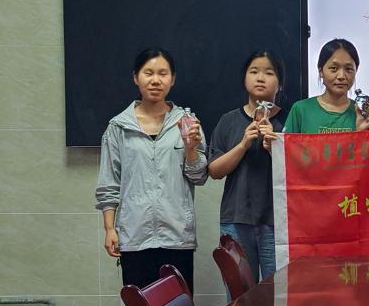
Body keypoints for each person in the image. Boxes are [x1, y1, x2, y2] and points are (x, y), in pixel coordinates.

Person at [95, 47, 207, 293]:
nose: (156, 80)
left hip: (177, 237)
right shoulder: (118, 127)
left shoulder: (187, 123)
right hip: (134, 237)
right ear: (136, 77)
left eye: (163, 74)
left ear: (172, 79)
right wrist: (110, 229)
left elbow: (199, 176)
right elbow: (108, 183)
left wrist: (191, 149)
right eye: (148, 73)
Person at [208, 51, 287, 283]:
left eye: (269, 73)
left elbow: (300, 170)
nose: (260, 78)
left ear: (280, 83)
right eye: (254, 72)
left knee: (277, 292)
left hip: (277, 222)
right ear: (244, 78)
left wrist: (275, 147)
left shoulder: (289, 120)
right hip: (236, 219)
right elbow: (214, 171)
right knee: (239, 294)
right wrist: (243, 144)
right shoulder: (228, 121)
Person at [284, 38, 369, 133]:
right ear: (321, 71)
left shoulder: (364, 113)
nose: (341, 76)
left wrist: (360, 132)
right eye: (334, 68)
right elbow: (285, 142)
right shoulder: (301, 110)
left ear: (356, 71)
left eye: (348, 69)